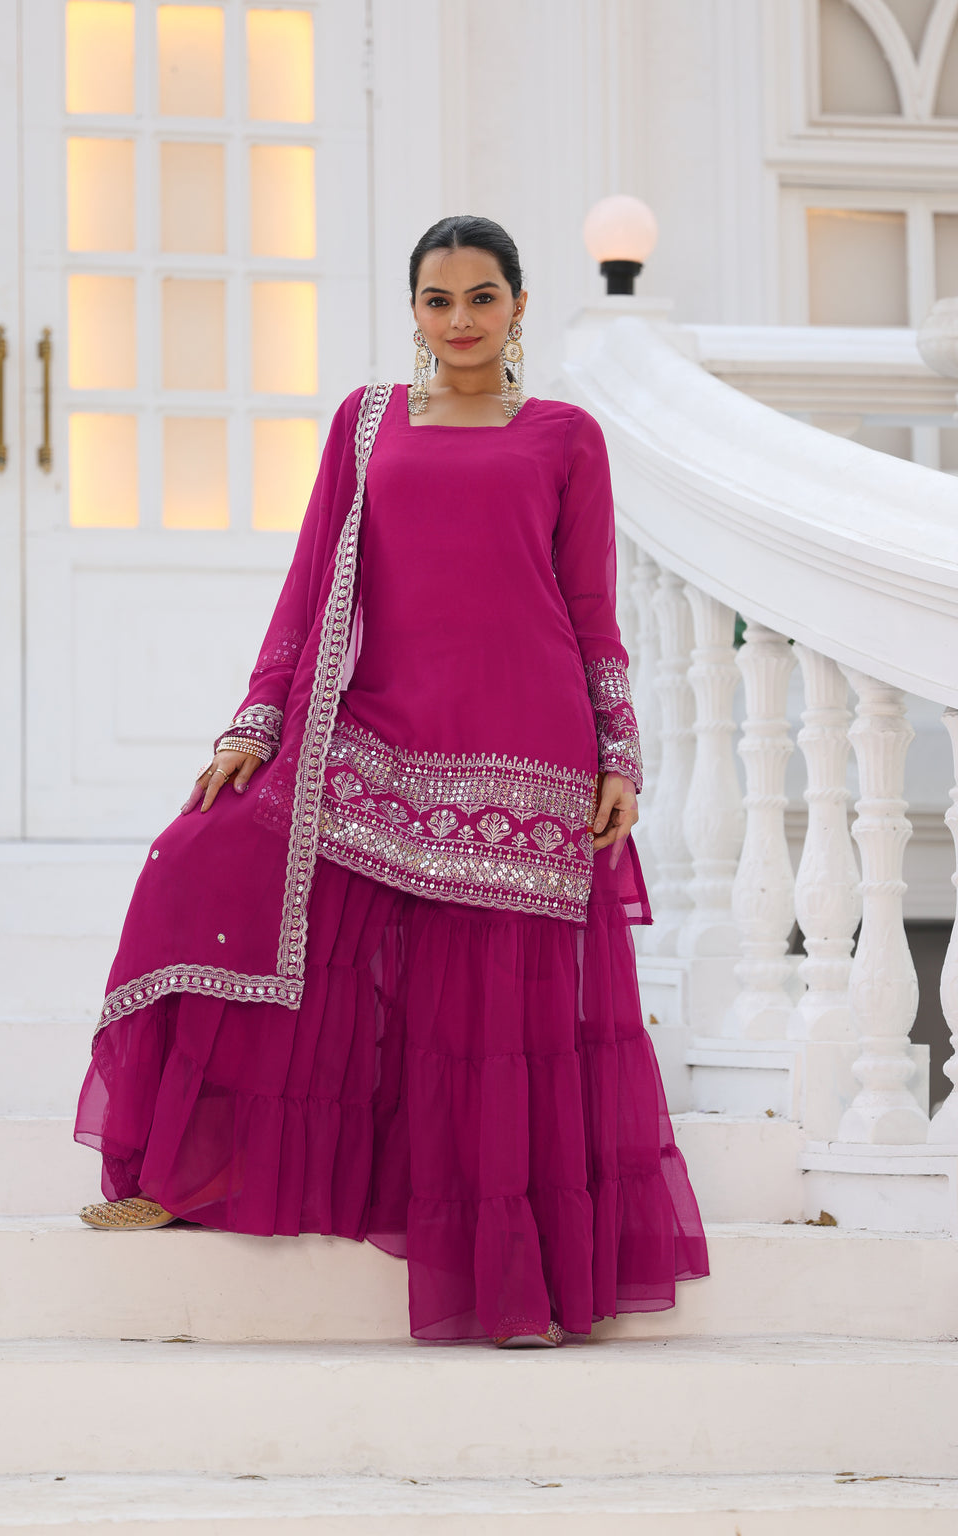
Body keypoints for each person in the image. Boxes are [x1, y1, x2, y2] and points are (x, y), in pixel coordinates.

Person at [74, 214, 709, 1348]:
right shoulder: (367, 423)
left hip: (526, 745)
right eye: (437, 299)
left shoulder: (565, 436)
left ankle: (514, 1287)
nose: (460, 320)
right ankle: (191, 1169)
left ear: (518, 306)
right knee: (201, 860)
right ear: (413, 309)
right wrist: (258, 720)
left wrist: (619, 753)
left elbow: (589, 608)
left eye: (481, 297)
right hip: (376, 729)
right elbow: (312, 580)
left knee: (493, 1012)